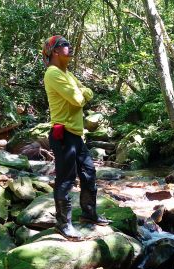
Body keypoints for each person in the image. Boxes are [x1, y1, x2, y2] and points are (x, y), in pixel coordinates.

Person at [42, 35, 110, 240]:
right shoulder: (53, 74)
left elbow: (83, 93)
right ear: (54, 51)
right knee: (66, 179)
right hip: (63, 135)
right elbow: (78, 99)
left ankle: (89, 214)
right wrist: (83, 94)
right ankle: (63, 223)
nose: (69, 47)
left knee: (89, 173)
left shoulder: (67, 74)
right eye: (64, 45)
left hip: (76, 135)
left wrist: (83, 93)